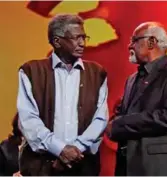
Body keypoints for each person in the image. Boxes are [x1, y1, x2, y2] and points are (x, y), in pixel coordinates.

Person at [16, 14, 109, 176]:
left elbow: (100, 119)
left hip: (83, 165)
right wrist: (60, 149)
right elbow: (28, 119)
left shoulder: (97, 73)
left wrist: (75, 150)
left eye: (84, 37)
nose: (82, 43)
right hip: (41, 166)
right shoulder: (31, 71)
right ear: (57, 41)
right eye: (76, 38)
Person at [107, 22, 167, 176]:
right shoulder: (132, 79)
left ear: (151, 42)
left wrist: (120, 124)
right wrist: (112, 125)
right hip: (126, 167)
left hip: (156, 168)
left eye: (134, 40)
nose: (129, 46)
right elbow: (121, 113)